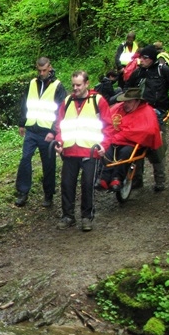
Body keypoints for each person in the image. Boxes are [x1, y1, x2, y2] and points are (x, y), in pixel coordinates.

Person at [54, 71, 113, 232]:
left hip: (90, 151)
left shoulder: (98, 101)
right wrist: (59, 141)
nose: (75, 88)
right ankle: (68, 216)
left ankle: (87, 217)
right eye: (73, 85)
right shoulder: (67, 101)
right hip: (69, 151)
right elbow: (60, 125)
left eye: (78, 85)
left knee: (87, 185)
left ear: (87, 83)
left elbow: (108, 126)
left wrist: (104, 145)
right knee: (67, 184)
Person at [126, 44, 169, 191]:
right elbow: (127, 88)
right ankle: (135, 179)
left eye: (144, 58)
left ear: (152, 58)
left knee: (157, 146)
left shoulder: (162, 70)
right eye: (140, 57)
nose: (141, 60)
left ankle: (160, 180)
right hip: (138, 113)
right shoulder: (138, 73)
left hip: (157, 112)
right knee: (136, 144)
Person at [15, 57, 67, 208]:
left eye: (44, 70)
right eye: (39, 70)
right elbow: (25, 103)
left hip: (47, 132)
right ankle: (23, 192)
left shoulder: (58, 86)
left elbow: (61, 111)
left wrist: (53, 131)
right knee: (25, 159)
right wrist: (22, 123)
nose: (42, 73)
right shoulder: (32, 83)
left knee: (48, 164)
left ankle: (48, 195)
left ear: (50, 68)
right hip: (31, 129)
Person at [96, 87, 162, 191]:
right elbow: (106, 121)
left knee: (125, 154)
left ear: (137, 101)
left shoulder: (147, 111)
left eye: (129, 102)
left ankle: (117, 178)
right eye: (124, 101)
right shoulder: (118, 108)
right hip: (113, 140)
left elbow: (147, 131)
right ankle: (104, 178)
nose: (125, 104)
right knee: (106, 151)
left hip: (131, 143)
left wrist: (121, 135)